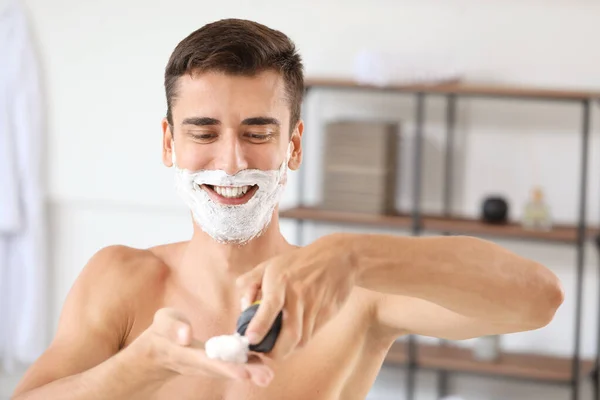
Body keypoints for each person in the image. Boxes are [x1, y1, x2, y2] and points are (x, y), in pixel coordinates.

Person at [11, 18, 564, 400]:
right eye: (203, 132)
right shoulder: (120, 279)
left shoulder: (357, 295)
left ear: (293, 146)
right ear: (168, 143)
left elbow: (539, 299)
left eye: (258, 132)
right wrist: (141, 368)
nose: (230, 163)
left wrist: (354, 255)